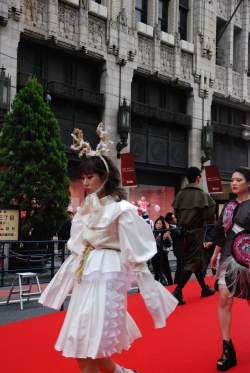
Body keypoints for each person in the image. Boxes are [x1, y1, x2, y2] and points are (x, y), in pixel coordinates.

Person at [39, 126, 178, 373]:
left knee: (89, 345)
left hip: (108, 275)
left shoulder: (122, 209)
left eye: (89, 177)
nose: (85, 183)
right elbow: (77, 245)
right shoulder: (87, 208)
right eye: (83, 178)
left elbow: (136, 253)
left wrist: (150, 289)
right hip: (87, 275)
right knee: (84, 344)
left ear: (104, 177)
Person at [210, 166, 250, 372]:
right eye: (232, 179)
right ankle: (227, 348)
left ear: (249, 183)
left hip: (249, 258)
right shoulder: (228, 206)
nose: (234, 183)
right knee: (224, 297)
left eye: (239, 180)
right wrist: (216, 253)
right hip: (227, 255)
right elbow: (221, 232)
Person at [171, 166, 216, 305]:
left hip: (183, 231)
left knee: (196, 260)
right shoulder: (202, 194)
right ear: (198, 177)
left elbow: (176, 215)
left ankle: (204, 288)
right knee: (193, 260)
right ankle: (177, 291)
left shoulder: (180, 194)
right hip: (196, 231)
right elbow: (211, 218)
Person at [152, 216, 173, 286]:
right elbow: (155, 245)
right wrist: (162, 239)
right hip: (155, 256)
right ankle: (157, 289)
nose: (158, 225)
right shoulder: (153, 233)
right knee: (156, 274)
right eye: (157, 223)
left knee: (168, 273)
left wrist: (166, 239)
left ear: (162, 225)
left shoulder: (165, 233)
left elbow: (169, 245)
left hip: (164, 255)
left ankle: (171, 287)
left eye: (160, 224)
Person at [165, 212, 184, 284]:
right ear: (170, 221)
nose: (175, 219)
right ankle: (177, 281)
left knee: (181, 265)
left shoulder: (176, 226)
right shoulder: (172, 228)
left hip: (181, 248)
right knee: (180, 266)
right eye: (174, 218)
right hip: (178, 249)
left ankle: (178, 280)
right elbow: (179, 234)